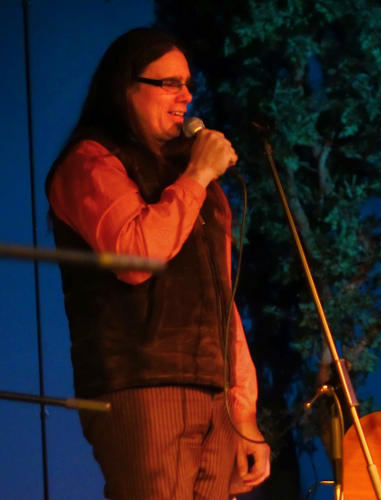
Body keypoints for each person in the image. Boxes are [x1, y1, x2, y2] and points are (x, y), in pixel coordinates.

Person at [44, 28, 270, 499]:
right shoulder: (90, 162)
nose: (186, 96)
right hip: (140, 387)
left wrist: (244, 410)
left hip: (214, 395)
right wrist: (199, 174)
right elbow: (135, 257)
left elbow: (220, 297)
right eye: (169, 83)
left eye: (188, 83)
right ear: (125, 88)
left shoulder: (191, 177)